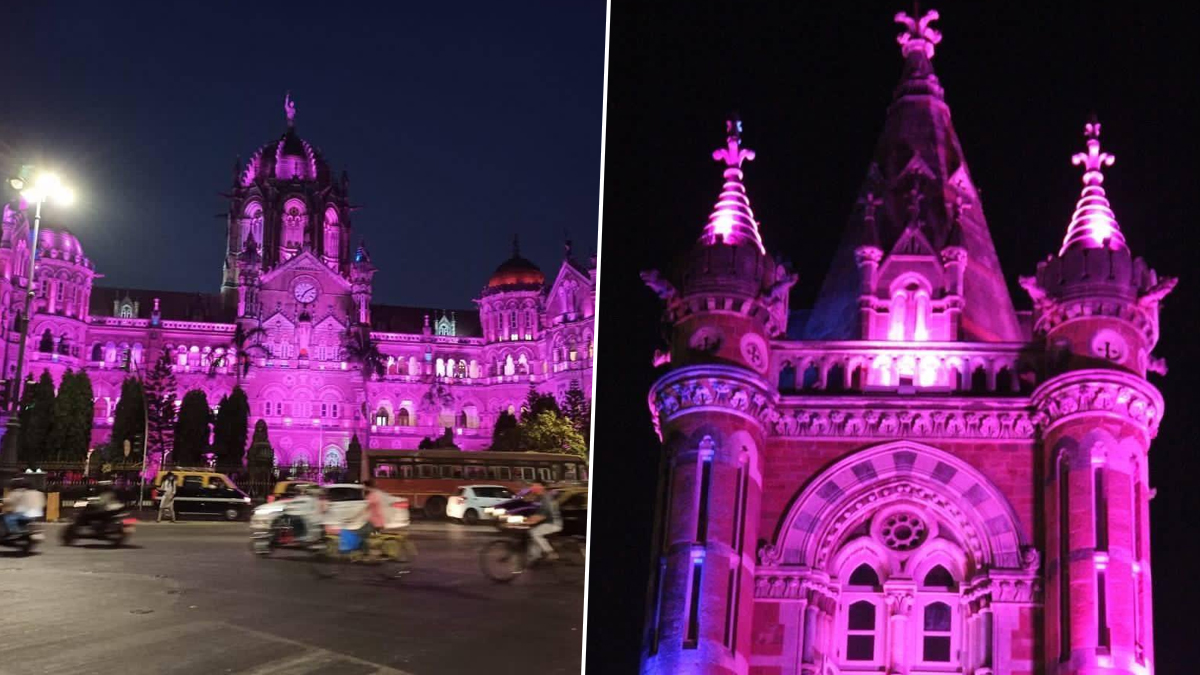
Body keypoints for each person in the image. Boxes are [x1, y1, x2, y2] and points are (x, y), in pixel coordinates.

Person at [524, 482, 562, 564]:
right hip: (547, 522)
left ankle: (551, 552)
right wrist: (529, 519)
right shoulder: (541, 497)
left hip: (553, 523)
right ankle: (535, 556)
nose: (533, 489)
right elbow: (536, 510)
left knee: (534, 533)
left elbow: (544, 513)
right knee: (534, 536)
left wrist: (530, 521)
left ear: (540, 488)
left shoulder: (546, 498)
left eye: (535, 487)